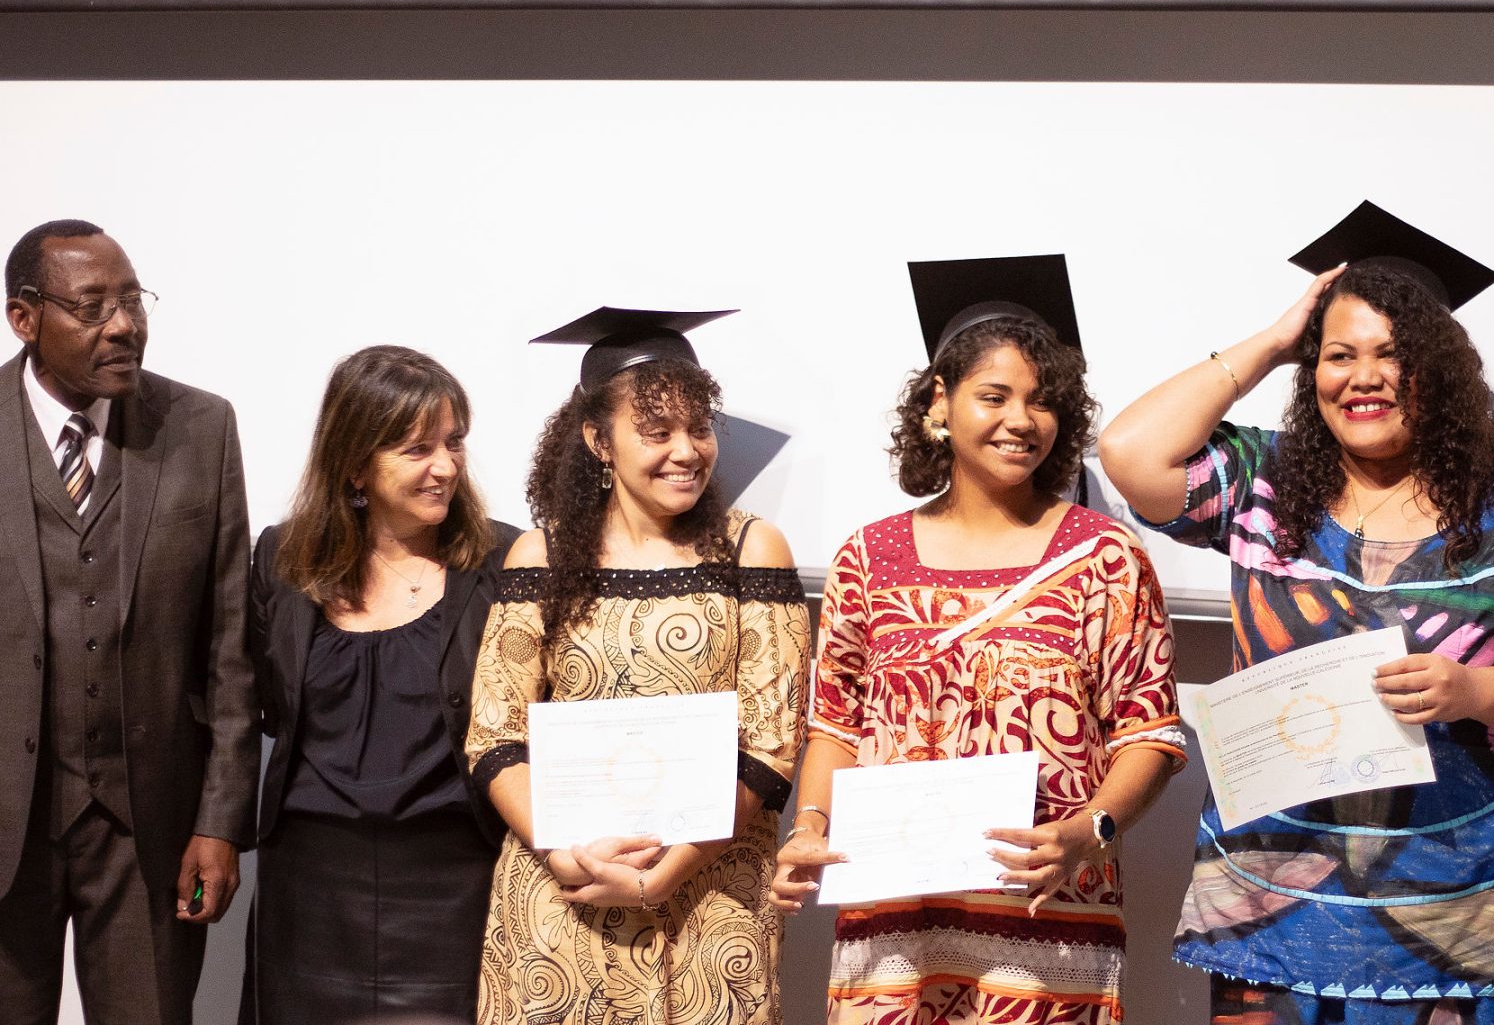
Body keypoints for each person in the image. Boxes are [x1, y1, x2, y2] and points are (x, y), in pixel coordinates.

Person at [1100, 204, 1494, 1025]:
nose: (1363, 377)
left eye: (1393, 354)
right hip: (1272, 919)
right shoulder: (1264, 486)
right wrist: (1278, 340)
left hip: (1465, 923)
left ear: (1440, 370)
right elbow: (1130, 453)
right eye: (1339, 356)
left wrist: (1473, 691)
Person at [772, 254, 1186, 1025]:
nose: (1020, 421)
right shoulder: (869, 557)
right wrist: (810, 830)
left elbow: (1150, 733)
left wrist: (1089, 831)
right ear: (941, 400)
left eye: (1042, 401)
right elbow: (836, 724)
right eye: (994, 396)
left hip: (1049, 927)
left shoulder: (1104, 557)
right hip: (895, 932)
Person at [465, 306, 809, 1025]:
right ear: (599, 441)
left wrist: (663, 876)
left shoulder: (752, 549)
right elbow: (494, 735)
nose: (687, 451)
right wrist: (565, 854)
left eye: (699, 428)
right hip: (562, 901)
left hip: (710, 903)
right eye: (657, 432)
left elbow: (771, 742)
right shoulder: (540, 555)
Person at [0, 219, 257, 1024]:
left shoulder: (201, 428)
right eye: (92, 307)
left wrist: (219, 821)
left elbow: (230, 649)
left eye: (133, 301)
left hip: (150, 829)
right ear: (24, 317)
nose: (124, 325)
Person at [239, 345, 520, 1023]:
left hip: (458, 885)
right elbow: (253, 707)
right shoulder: (282, 557)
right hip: (310, 891)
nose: (445, 466)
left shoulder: (505, 561)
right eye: (418, 448)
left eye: (454, 442)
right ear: (355, 463)